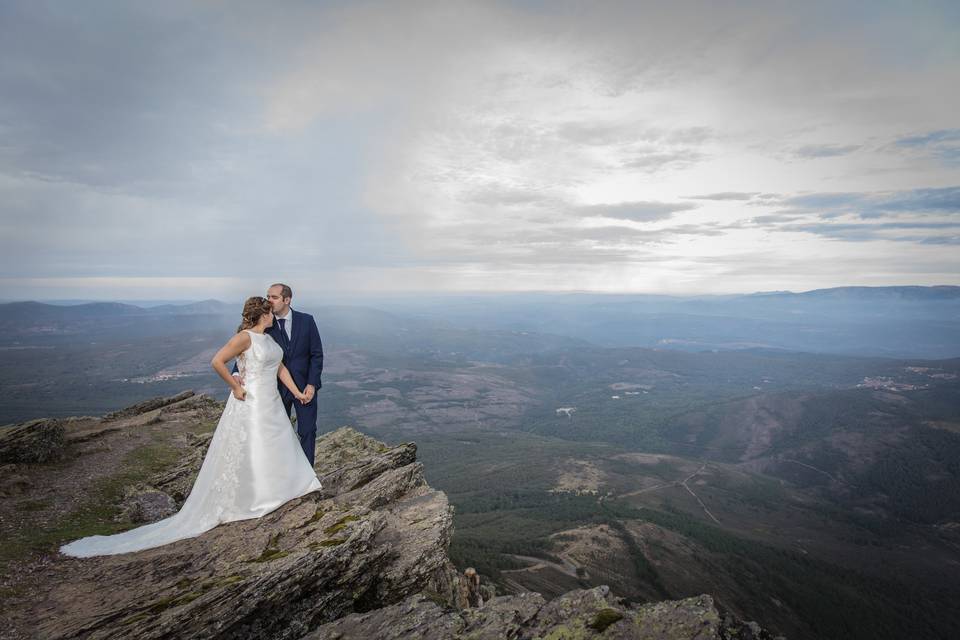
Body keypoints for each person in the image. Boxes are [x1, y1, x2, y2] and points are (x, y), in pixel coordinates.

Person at [59, 296, 323, 557]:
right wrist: (235, 387)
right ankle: (255, 497)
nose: (272, 315)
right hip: (252, 401)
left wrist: (298, 392)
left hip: (271, 400)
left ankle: (279, 490)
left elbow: (280, 369)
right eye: (269, 312)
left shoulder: (269, 339)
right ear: (262, 315)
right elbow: (217, 361)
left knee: (275, 445)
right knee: (254, 447)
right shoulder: (245, 337)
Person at [233, 283, 324, 466]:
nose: (269, 301)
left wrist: (312, 384)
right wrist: (235, 372)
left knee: (307, 431)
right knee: (277, 433)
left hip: (304, 387)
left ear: (287, 299)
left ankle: (307, 474)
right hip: (273, 389)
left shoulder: (307, 320)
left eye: (273, 297)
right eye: (268, 296)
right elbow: (246, 349)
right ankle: (280, 471)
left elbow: (316, 354)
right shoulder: (264, 322)